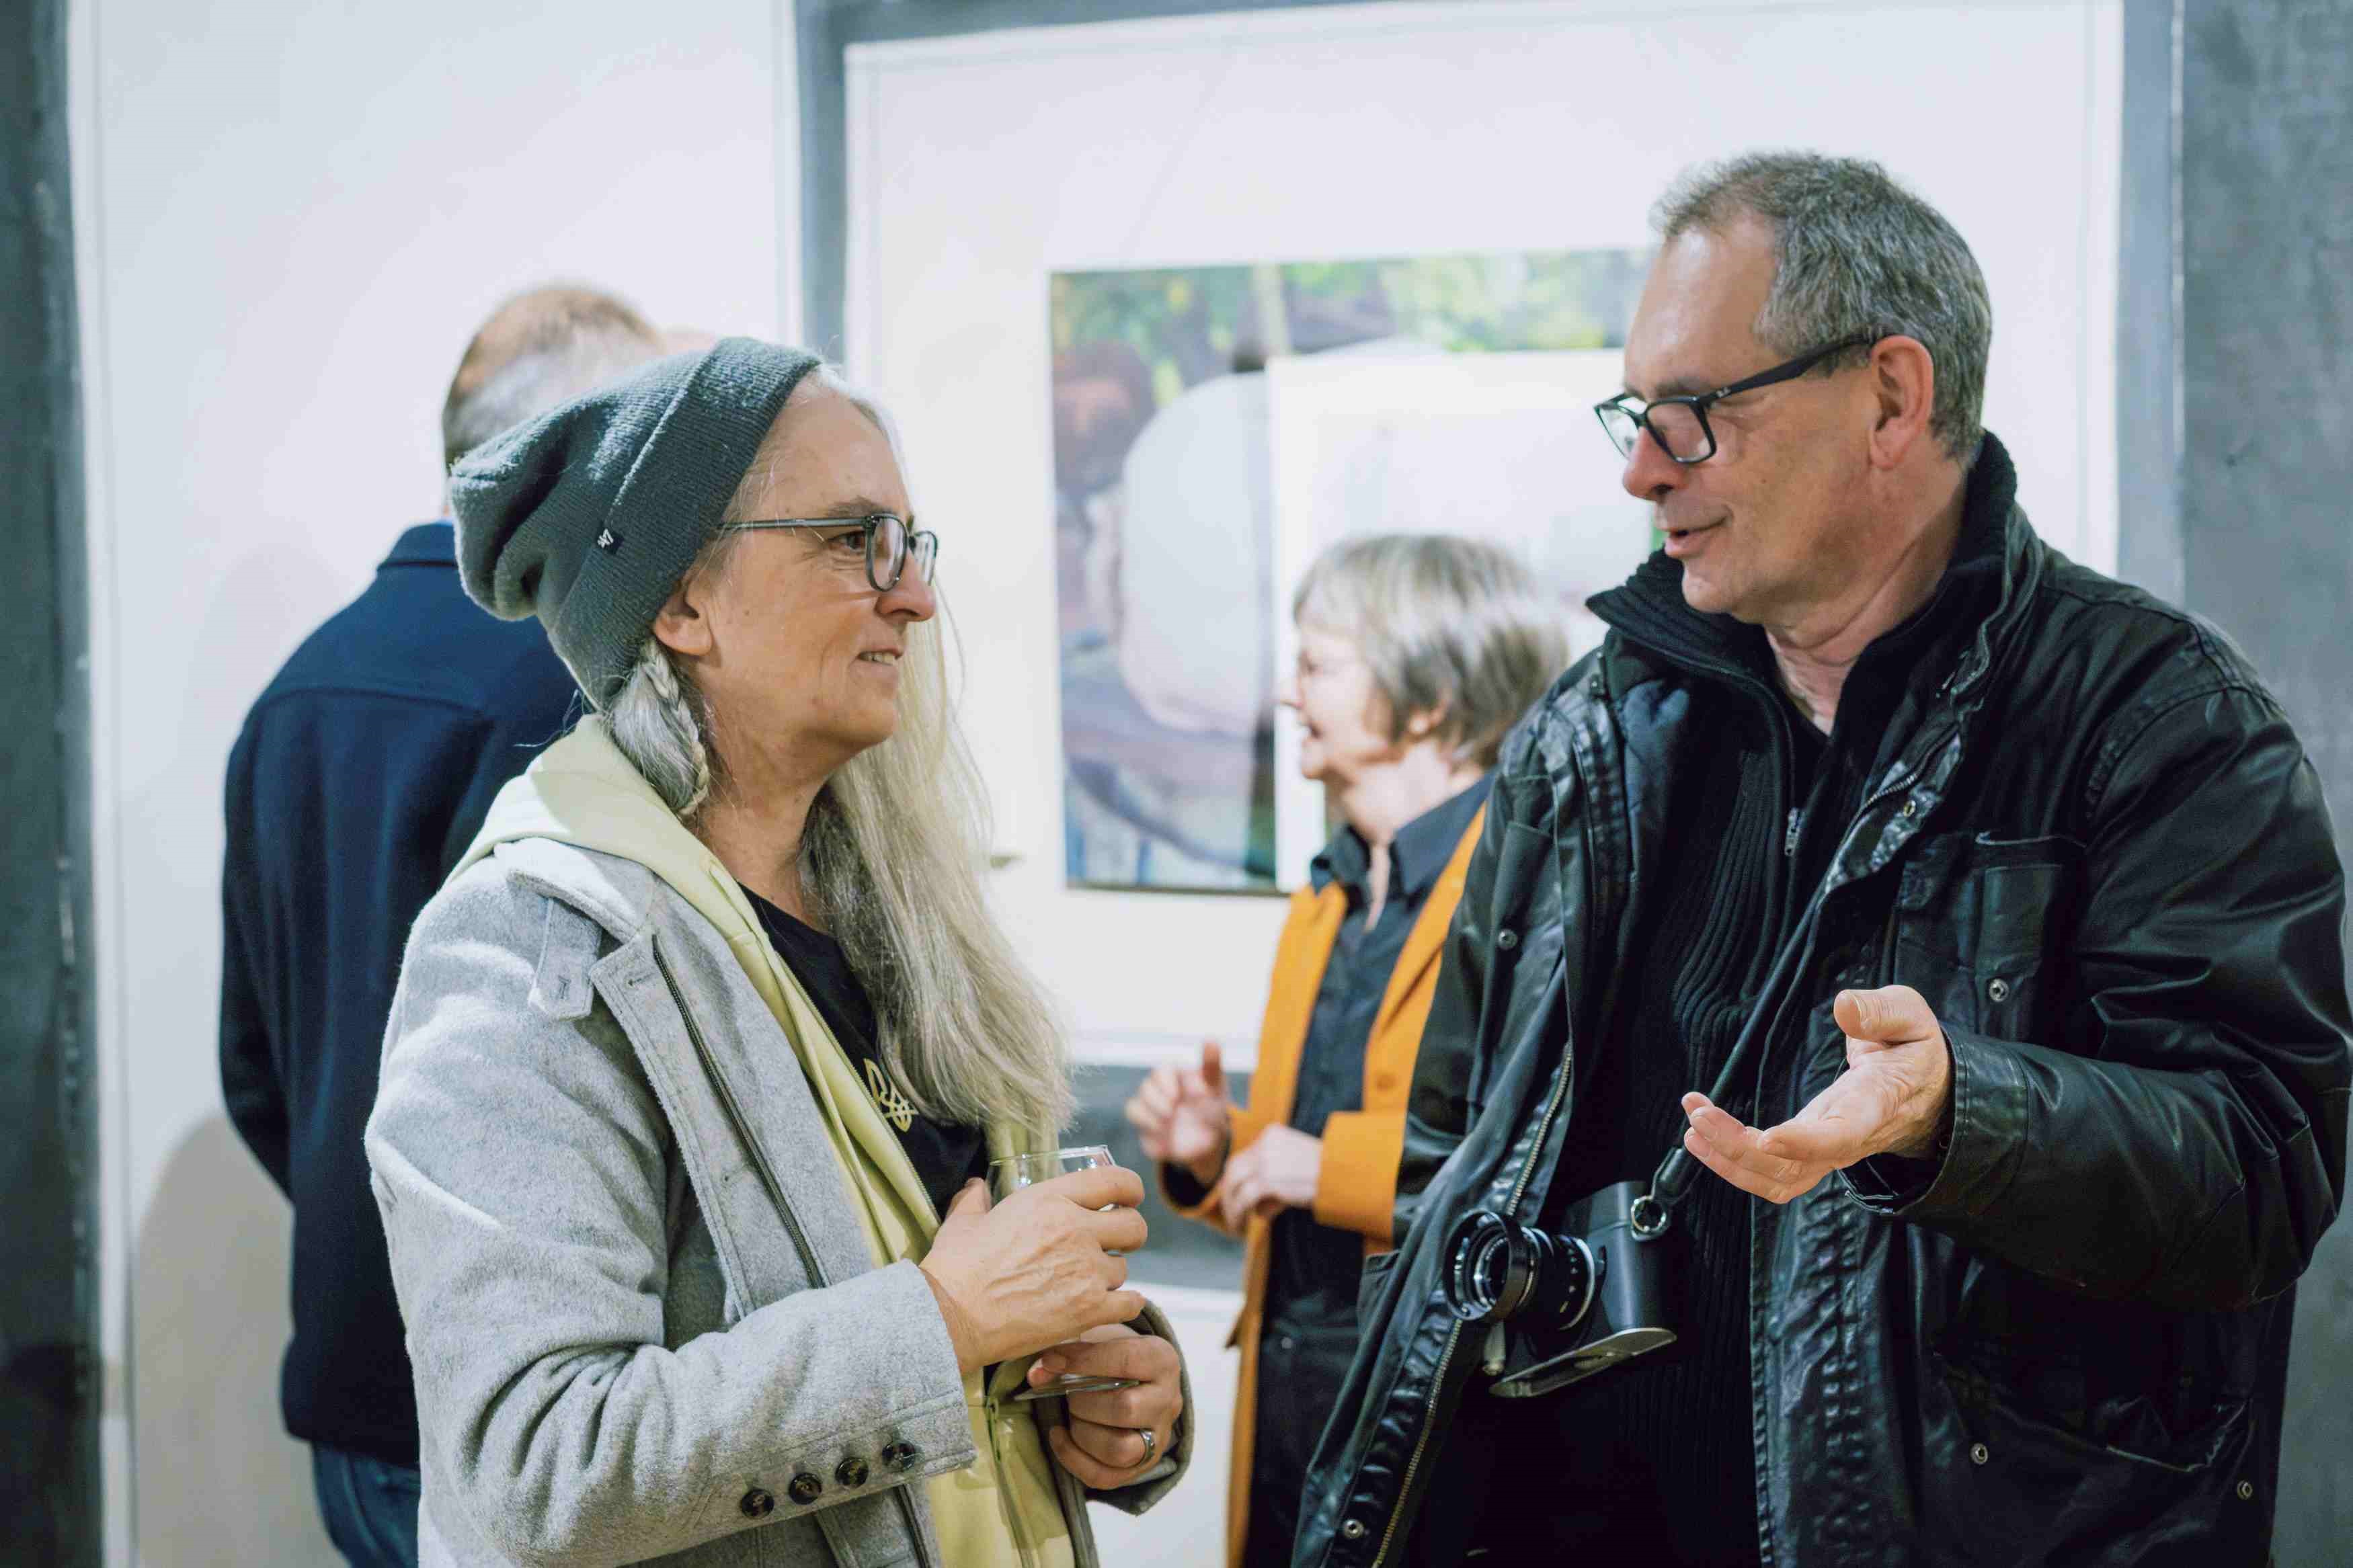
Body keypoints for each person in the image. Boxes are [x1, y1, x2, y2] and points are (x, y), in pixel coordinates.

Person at [1295, 153, 2351, 1568]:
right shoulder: (1593, 729)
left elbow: (2259, 1167)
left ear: (1891, 399)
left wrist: (1956, 1111)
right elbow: (1457, 1151)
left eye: (1693, 416)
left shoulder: (2155, 725)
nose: (1639, 467)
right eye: (1633, 414)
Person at [364, 339, 1191, 1566]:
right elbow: (535, 1465)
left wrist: (1122, 1392)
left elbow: (960, 1289)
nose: (910, 596)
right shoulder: (533, 946)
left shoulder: (889, 907)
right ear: (681, 600)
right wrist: (945, 1321)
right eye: (853, 540)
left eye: (910, 546)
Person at [218, 284, 670, 1565]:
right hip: (505, 1397)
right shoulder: (562, 687)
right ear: (575, 450)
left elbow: (254, 1070)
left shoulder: (294, 690)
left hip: (357, 1388)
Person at [1126, 534, 1565, 1567]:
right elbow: (1298, 1143)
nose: (1290, 694)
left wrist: (1322, 1167)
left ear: (1426, 698)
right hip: (1293, 1391)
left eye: (1319, 664)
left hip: (1437, 1400)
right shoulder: (1327, 889)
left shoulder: (1517, 893)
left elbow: (1540, 1157)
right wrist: (1211, 1145)